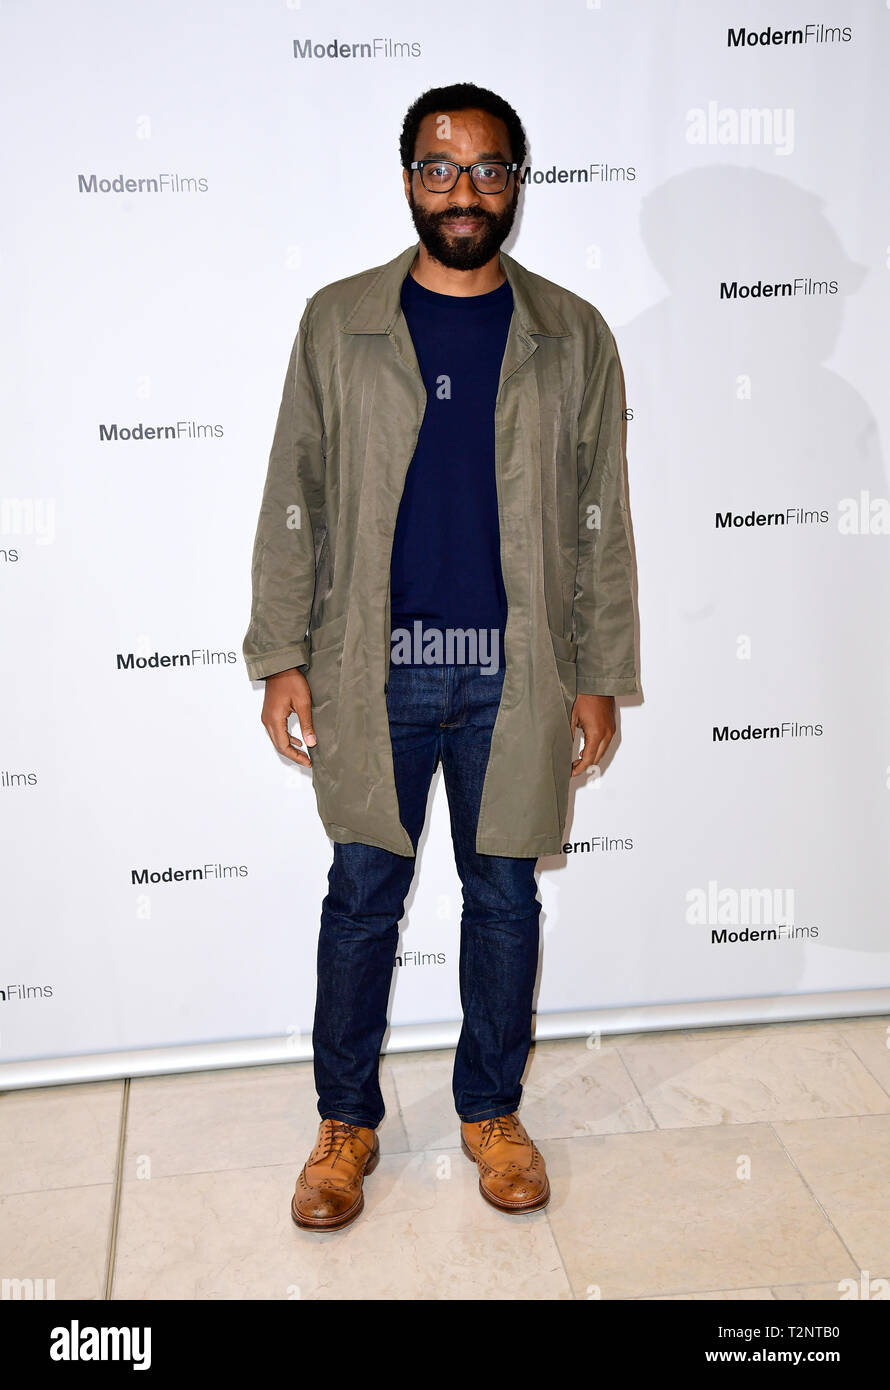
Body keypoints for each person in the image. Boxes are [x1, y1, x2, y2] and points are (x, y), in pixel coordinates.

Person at [243, 82, 638, 1231]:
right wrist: (281, 651)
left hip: (519, 671)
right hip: (375, 663)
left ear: (518, 181)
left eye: (486, 169)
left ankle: (489, 1110)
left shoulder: (572, 334)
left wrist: (598, 672)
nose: (462, 192)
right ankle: (343, 1123)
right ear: (405, 175)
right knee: (363, 894)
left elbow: (599, 518)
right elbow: (293, 497)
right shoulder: (338, 321)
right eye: (438, 166)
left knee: (503, 895)